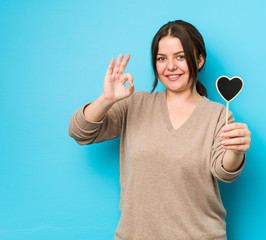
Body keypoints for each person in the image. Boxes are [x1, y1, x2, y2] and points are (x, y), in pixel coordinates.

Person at [69, 20, 251, 240]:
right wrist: (106, 100)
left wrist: (236, 150)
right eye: (161, 58)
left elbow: (224, 172)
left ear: (199, 60)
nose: (170, 66)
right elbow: (80, 132)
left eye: (180, 56)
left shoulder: (217, 115)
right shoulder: (134, 104)